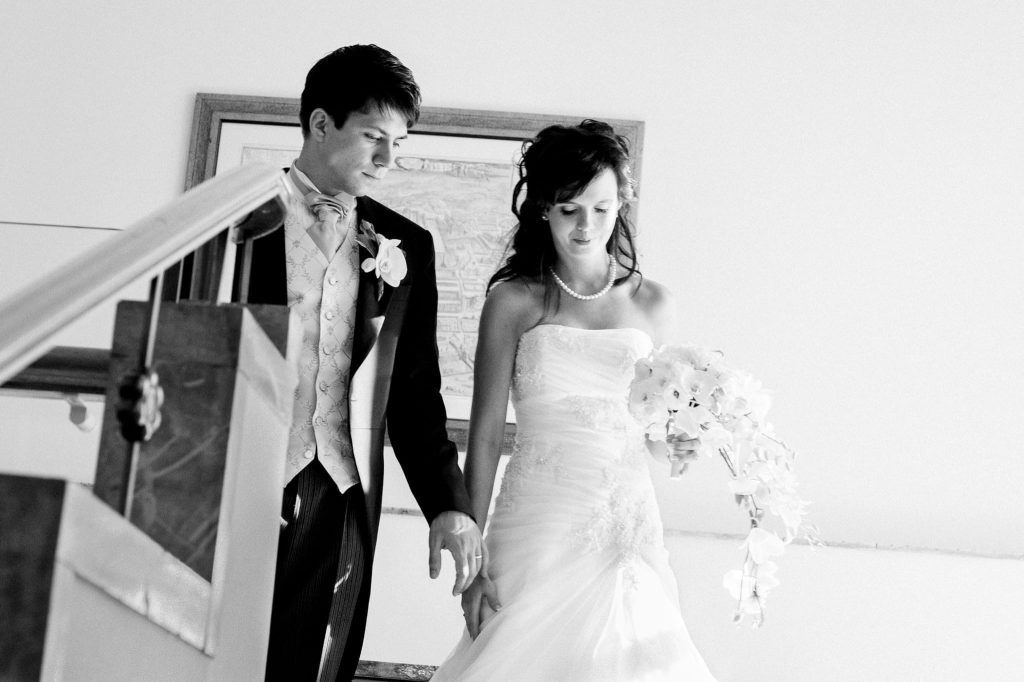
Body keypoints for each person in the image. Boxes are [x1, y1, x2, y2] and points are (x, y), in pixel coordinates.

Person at [431, 121, 716, 680]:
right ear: (542, 208)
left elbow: (653, 432)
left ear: (621, 206)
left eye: (602, 209)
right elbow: (486, 436)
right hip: (536, 519)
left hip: (625, 522)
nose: (587, 227)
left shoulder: (654, 303)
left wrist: (680, 445)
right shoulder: (513, 301)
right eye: (569, 209)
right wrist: (474, 561)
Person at [245, 45, 484, 681]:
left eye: (398, 144)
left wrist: (447, 504)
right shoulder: (232, 220)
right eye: (375, 138)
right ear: (321, 124)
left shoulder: (406, 245)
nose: (387, 161)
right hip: (238, 474)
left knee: (310, 664)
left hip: (339, 488)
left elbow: (413, 392)